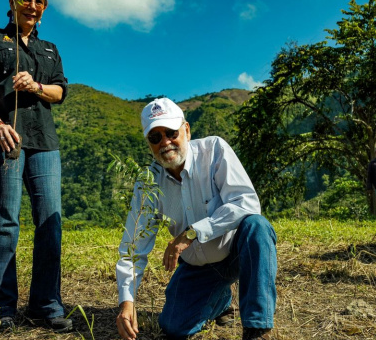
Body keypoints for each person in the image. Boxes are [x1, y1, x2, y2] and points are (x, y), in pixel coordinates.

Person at [115, 98, 277, 340]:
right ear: (148, 143)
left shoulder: (214, 151)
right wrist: (126, 302)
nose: (165, 143)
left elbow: (246, 202)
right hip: (198, 266)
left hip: (235, 253)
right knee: (174, 326)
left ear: (187, 130)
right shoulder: (148, 182)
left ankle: (256, 327)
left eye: (171, 133)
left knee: (257, 226)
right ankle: (221, 300)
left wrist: (191, 233)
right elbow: (133, 247)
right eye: (155, 137)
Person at [0, 0, 72, 333]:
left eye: (40, 1)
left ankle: (47, 304)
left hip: (44, 141)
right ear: (12, 1)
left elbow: (60, 91)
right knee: (7, 220)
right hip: (5, 138)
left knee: (50, 222)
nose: (32, 5)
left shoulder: (49, 49)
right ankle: (1, 308)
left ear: (45, 9)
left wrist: (37, 86)